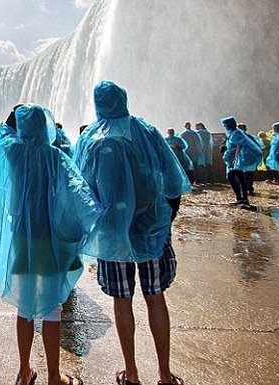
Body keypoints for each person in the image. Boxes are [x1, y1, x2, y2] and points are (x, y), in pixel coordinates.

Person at [74, 81, 191, 385]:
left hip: (113, 235)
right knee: (155, 297)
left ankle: (133, 372)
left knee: (122, 300)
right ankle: (164, 374)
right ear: (123, 99)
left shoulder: (90, 137)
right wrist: (166, 218)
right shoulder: (146, 130)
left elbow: (81, 189)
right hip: (151, 228)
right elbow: (173, 178)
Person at [0, 105, 99, 385]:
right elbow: (78, 194)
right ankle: (53, 376)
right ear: (46, 126)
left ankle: (24, 372)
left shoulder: (12, 153)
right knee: (52, 309)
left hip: (22, 239)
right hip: (51, 239)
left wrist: (11, 116)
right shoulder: (55, 157)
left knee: (24, 308)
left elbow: (2, 134)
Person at [221, 117, 261, 205]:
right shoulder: (234, 133)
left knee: (231, 177)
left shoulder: (235, 134)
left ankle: (240, 198)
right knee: (241, 178)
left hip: (234, 161)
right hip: (234, 160)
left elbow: (239, 145)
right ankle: (244, 199)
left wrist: (235, 159)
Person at [237, 123, 262, 194]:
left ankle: (243, 188)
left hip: (242, 158)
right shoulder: (251, 137)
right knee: (250, 174)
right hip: (251, 158)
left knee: (242, 174)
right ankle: (249, 188)